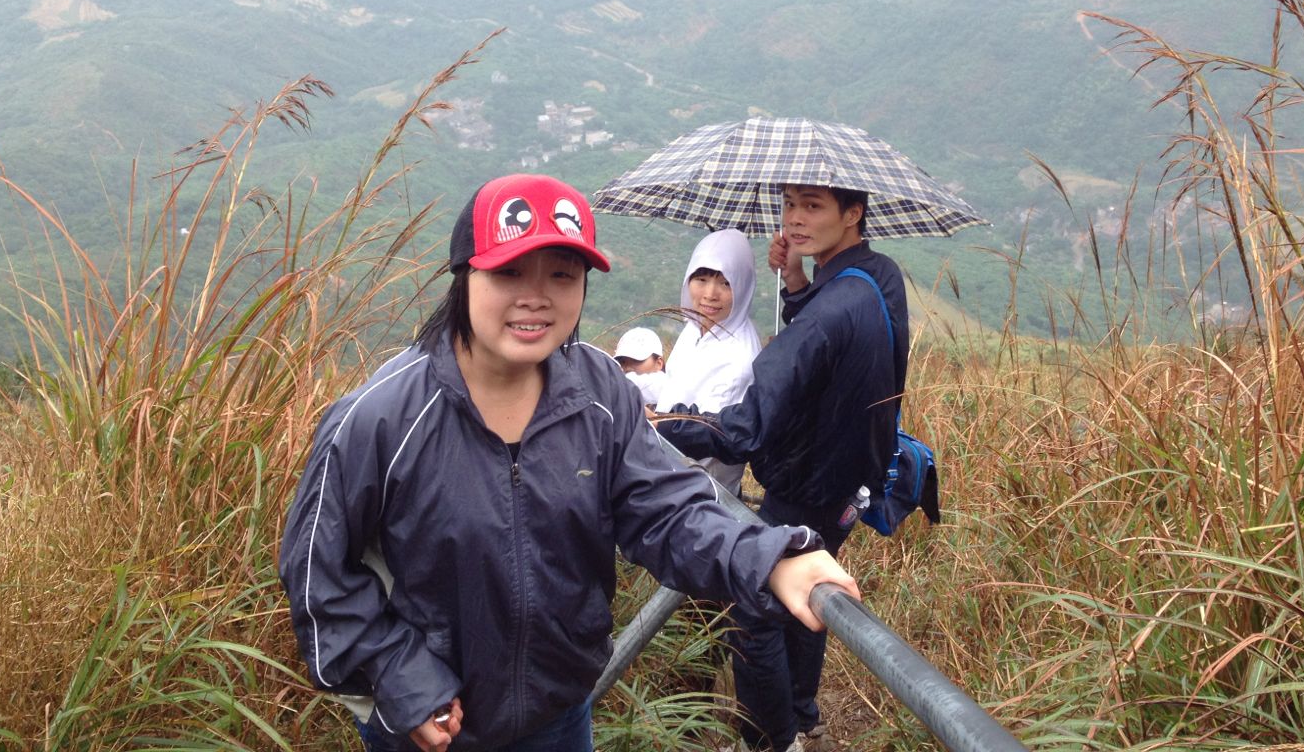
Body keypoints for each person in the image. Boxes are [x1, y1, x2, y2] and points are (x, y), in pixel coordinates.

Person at [278, 173, 860, 752]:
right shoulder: (381, 418)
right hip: (434, 721)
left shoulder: (598, 392)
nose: (536, 296)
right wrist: (400, 676)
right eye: (509, 272)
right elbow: (316, 573)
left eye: (562, 274)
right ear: (465, 275)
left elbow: (665, 509)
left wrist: (768, 558)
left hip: (560, 711)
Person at [655, 184, 908, 752]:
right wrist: (795, 283)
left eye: (812, 206)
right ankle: (802, 715)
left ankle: (769, 740)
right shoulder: (876, 275)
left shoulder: (829, 311)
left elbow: (744, 429)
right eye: (790, 204)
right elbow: (831, 347)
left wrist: (663, 423)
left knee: (756, 607)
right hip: (851, 480)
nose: (794, 219)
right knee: (808, 588)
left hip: (807, 482)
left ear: (853, 212)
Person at [623, 228, 762, 496]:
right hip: (666, 470)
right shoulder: (697, 325)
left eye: (726, 283)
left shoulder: (738, 357)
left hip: (699, 493)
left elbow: (706, 437)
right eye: (701, 279)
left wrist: (654, 427)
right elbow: (675, 386)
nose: (710, 294)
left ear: (743, 286)